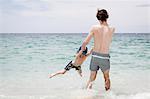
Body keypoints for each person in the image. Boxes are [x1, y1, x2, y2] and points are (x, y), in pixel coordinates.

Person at [81, 9, 115, 91]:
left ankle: (86, 95)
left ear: (98, 18)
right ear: (107, 17)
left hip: (95, 56)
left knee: (92, 78)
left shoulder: (94, 28)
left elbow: (85, 42)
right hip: (105, 57)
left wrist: (82, 53)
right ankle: (109, 95)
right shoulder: (112, 29)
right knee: (106, 78)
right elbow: (105, 42)